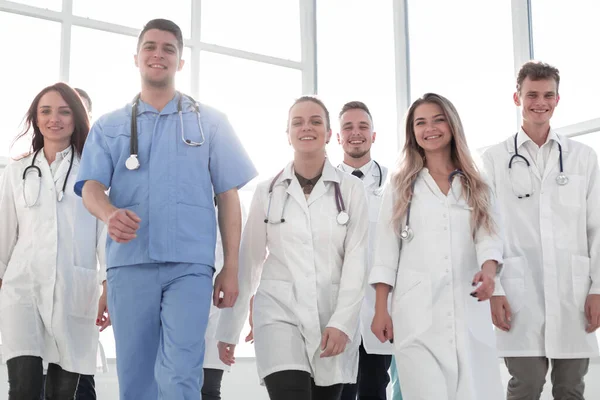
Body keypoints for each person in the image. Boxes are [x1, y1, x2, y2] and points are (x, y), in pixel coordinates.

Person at [75, 19, 257, 399]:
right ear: (137, 57)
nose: (159, 54)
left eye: (169, 48)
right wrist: (110, 213)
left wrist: (232, 268)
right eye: (151, 47)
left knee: (181, 373)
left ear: (180, 62)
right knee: (136, 377)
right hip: (129, 263)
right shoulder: (109, 126)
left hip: (189, 266)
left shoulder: (210, 122)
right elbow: (90, 187)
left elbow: (228, 197)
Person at [216, 96, 370, 400]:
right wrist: (229, 330)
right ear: (287, 134)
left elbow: (357, 262)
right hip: (277, 311)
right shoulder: (267, 191)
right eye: (297, 122)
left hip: (331, 314)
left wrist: (343, 323)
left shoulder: (351, 190)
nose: (306, 128)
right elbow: (249, 264)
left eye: (315, 121)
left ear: (328, 134)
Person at [370, 93, 505, 400]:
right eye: (421, 122)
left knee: (474, 392)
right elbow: (386, 249)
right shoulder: (401, 182)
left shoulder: (476, 182)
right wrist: (381, 309)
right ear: (412, 133)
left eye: (438, 119)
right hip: (415, 313)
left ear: (451, 124)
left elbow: (489, 235)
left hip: (466, 307)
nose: (430, 128)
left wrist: (488, 272)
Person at [483, 61, 600, 400]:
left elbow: (596, 227)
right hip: (520, 292)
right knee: (526, 385)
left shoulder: (582, 157)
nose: (540, 102)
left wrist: (597, 288)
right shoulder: (494, 159)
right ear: (516, 98)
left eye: (548, 95)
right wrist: (497, 290)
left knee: (571, 388)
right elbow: (486, 229)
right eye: (531, 94)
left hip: (573, 293)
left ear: (557, 99)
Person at [0, 82, 108, 399]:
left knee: (65, 393)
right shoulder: (18, 169)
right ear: (36, 118)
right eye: (45, 111)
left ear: (76, 117)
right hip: (23, 287)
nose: (54, 119)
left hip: (74, 287)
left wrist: (107, 284)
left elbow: (105, 233)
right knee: (23, 387)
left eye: (64, 111)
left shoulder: (95, 171)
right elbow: (5, 231)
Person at [336, 101, 397, 400]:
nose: (355, 133)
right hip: (335, 308)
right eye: (348, 127)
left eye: (363, 127)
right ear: (338, 137)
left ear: (374, 135)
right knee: (338, 389)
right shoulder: (327, 183)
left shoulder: (396, 184)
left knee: (375, 387)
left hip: (379, 307)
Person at [202, 205, 248, 400]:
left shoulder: (233, 206)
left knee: (209, 389)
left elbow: (248, 264)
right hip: (178, 303)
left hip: (219, 305)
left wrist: (232, 329)